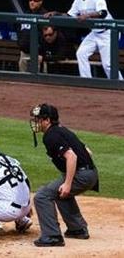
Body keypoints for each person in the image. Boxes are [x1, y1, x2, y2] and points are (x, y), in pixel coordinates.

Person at [29, 103, 99, 247]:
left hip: (82, 174)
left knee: (42, 196)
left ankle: (52, 236)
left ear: (47, 120)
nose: (35, 122)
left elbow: (71, 156)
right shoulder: (62, 130)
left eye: (38, 119)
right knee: (60, 192)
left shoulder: (51, 135)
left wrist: (68, 183)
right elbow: (87, 150)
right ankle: (77, 229)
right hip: (89, 172)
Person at [44, 0, 123, 80]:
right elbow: (69, 15)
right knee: (81, 53)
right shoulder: (78, 0)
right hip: (95, 33)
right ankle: (87, 81)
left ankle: (119, 84)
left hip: (108, 32)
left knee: (107, 64)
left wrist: (88, 15)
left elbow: (103, 13)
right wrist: (56, 13)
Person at [17, 0, 47, 72]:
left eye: (35, 1)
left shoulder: (45, 16)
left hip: (37, 55)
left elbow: (47, 38)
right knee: (22, 81)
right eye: (30, 0)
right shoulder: (26, 14)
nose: (32, 2)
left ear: (40, 2)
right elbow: (20, 32)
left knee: (38, 82)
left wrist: (42, 54)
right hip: (24, 53)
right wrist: (21, 46)